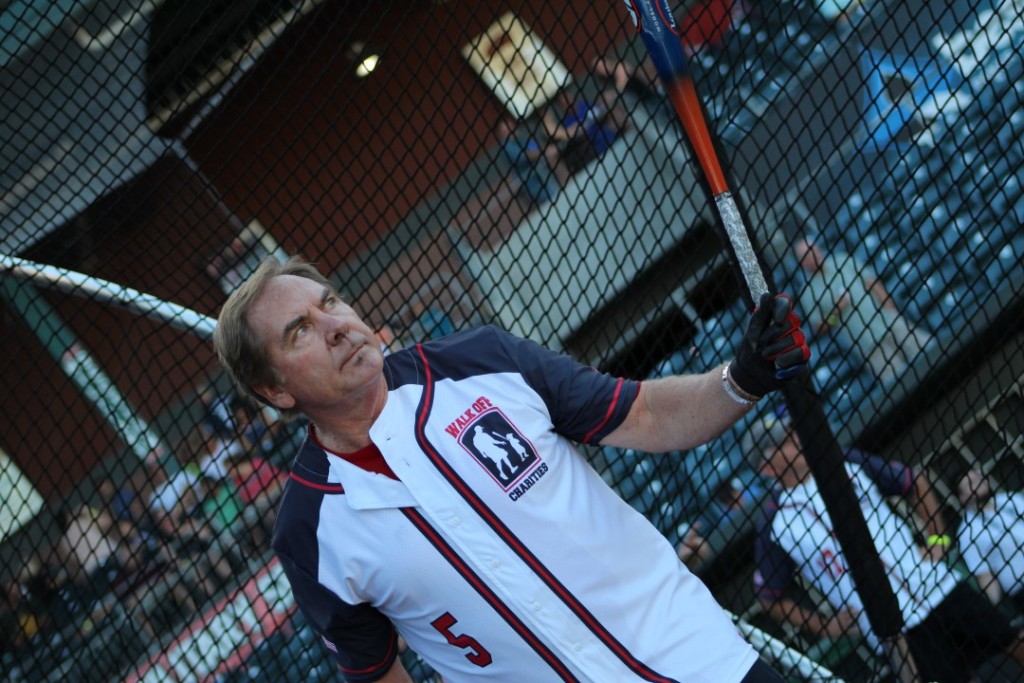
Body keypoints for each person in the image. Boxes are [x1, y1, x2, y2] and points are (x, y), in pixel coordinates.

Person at [213, 256, 810, 683]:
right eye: (300, 331)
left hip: (703, 661)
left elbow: (647, 414)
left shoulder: (478, 360)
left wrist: (742, 378)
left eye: (330, 302)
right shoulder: (307, 530)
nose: (336, 326)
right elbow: (374, 671)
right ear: (275, 391)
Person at [747, 414, 1024, 683]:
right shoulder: (774, 522)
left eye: (791, 434)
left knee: (1010, 639)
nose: (795, 440)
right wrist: (825, 626)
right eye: (783, 442)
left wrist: (937, 541)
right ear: (767, 468)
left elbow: (913, 481)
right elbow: (769, 598)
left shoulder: (843, 462)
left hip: (933, 584)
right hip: (893, 628)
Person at [792, 238, 929, 383]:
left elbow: (872, 283)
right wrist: (836, 312)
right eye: (808, 255)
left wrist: (892, 311)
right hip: (867, 345)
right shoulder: (808, 293)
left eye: (814, 250)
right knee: (900, 382)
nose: (814, 255)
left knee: (927, 350)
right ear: (803, 263)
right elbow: (820, 327)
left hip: (888, 322)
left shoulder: (842, 260)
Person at [955, 467, 1024, 608]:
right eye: (970, 483)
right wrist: (995, 609)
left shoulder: (1011, 499)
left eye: (978, 478)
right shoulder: (968, 533)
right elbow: (984, 575)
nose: (978, 482)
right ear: (962, 498)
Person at [495, 117, 565, 206]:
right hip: (534, 187)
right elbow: (525, 156)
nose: (510, 131)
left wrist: (545, 150)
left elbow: (535, 148)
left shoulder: (522, 137)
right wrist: (547, 151)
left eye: (511, 127)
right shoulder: (506, 146)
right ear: (501, 135)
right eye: (505, 131)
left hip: (546, 177)